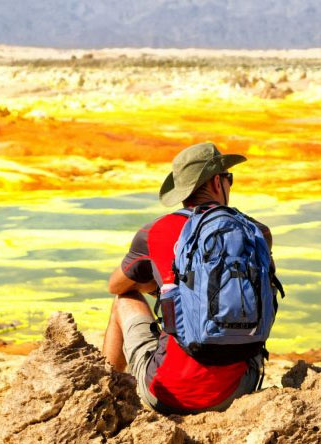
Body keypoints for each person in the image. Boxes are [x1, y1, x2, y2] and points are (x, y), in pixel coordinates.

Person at [102, 142, 274, 414]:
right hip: (239, 391)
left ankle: (103, 394)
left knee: (124, 300)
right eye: (230, 178)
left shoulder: (155, 232)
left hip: (168, 394)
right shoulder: (257, 233)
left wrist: (158, 287)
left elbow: (116, 285)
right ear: (218, 182)